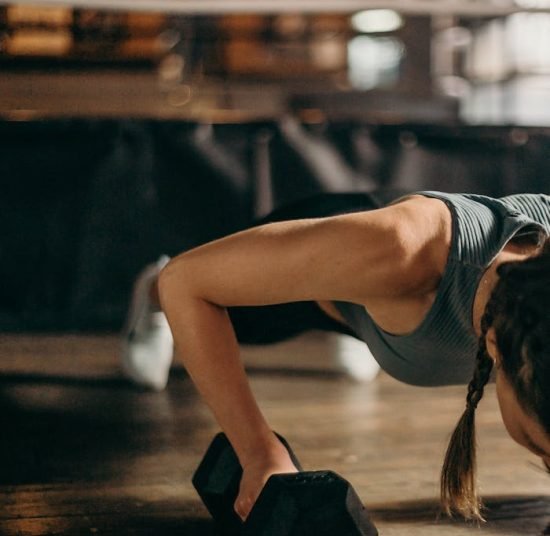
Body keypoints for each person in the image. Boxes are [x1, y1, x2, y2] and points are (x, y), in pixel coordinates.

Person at [121, 190, 550, 523]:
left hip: (387, 283)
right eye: (543, 451)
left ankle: (366, 325)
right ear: (497, 349)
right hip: (357, 241)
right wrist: (258, 452)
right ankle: (148, 291)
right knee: (202, 291)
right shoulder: (404, 253)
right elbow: (188, 282)